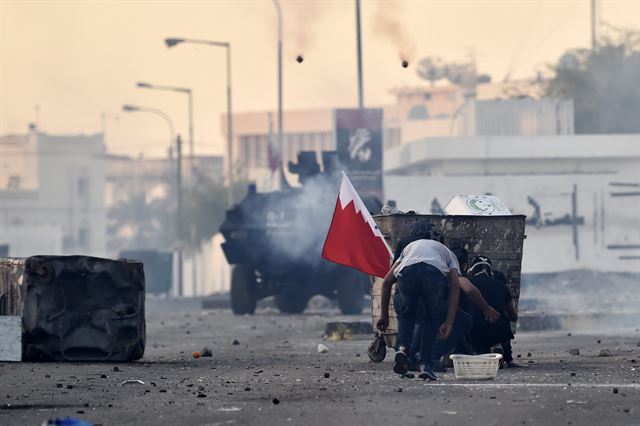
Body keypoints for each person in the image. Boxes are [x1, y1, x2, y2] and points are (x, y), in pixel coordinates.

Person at [376, 222, 461, 381]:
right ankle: (426, 365)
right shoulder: (448, 252)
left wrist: (384, 316)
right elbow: (455, 286)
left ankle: (402, 349)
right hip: (433, 274)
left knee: (406, 314)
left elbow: (387, 282)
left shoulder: (409, 248)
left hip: (407, 273)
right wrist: (449, 322)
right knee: (431, 318)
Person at [465, 256, 518, 366]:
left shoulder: (467, 283)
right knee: (503, 322)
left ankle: (476, 352)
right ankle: (507, 357)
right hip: (500, 332)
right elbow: (513, 317)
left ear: (472, 270)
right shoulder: (502, 285)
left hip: (476, 332)